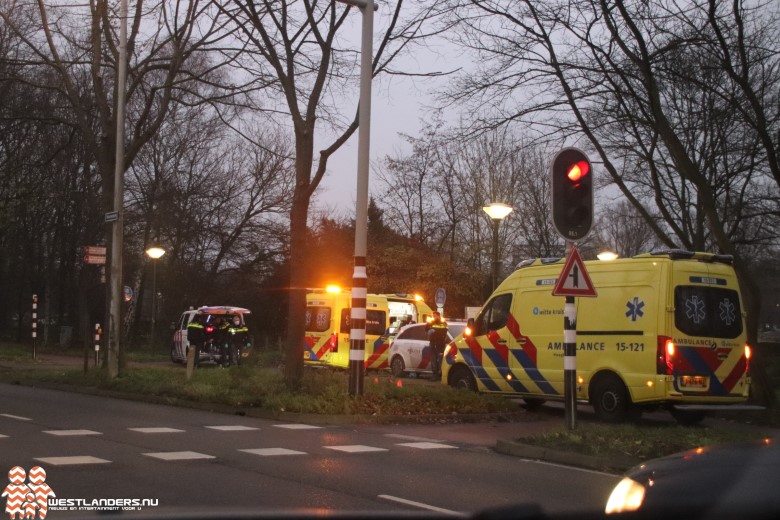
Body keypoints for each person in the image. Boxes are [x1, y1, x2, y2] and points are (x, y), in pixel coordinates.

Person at [425, 311, 448, 379]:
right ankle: (435, 375)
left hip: (440, 344)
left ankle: (440, 374)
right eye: (433, 316)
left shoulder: (443, 323)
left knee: (440, 360)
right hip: (433, 343)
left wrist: (435, 331)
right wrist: (428, 324)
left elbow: (444, 331)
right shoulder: (431, 323)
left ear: (438, 316)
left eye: (435, 316)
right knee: (433, 360)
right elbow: (426, 329)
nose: (434, 317)